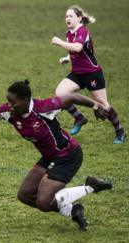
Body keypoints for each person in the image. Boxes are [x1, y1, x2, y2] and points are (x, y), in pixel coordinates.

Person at [0, 80, 112, 230]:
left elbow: (72, 97)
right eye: (9, 102)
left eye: (14, 102)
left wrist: (95, 106)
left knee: (43, 202)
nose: (10, 106)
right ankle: (73, 210)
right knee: (25, 195)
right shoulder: (9, 112)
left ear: (26, 99)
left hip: (67, 155)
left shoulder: (44, 107)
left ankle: (90, 186)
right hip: (49, 156)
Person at [51, 5, 125, 144]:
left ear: (79, 18)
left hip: (92, 74)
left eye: (71, 16)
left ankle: (120, 131)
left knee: (102, 104)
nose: (68, 18)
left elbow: (78, 47)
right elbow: (74, 49)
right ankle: (79, 118)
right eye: (66, 16)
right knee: (60, 93)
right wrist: (67, 58)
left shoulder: (82, 31)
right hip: (77, 74)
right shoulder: (70, 32)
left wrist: (59, 42)